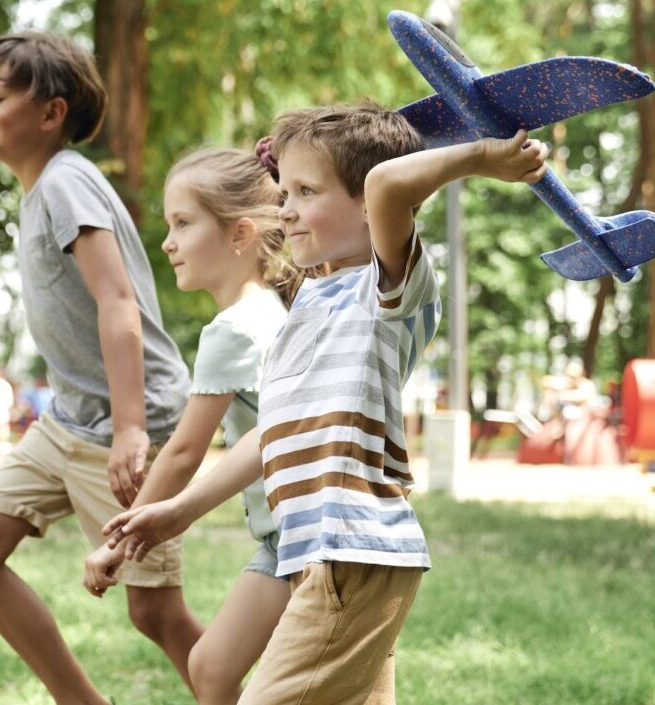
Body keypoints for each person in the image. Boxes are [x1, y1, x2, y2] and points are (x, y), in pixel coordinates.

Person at [104, 104, 549, 704]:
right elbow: (268, 437)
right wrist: (180, 510)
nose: (284, 207)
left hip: (352, 551)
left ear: (368, 209)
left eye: (305, 192)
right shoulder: (308, 304)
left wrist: (481, 156)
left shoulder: (388, 291)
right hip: (316, 551)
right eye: (283, 191)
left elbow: (387, 184)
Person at [0, 32, 202, 704]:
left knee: (155, 613)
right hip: (66, 420)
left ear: (51, 114)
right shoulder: (39, 191)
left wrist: (130, 429)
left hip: (126, 420)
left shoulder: (66, 181)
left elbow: (116, 301)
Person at [79, 147, 293, 705]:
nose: (168, 242)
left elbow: (182, 451)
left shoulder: (232, 330)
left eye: (183, 223)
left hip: (294, 540)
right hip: (287, 537)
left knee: (217, 670)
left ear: (239, 234)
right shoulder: (275, 309)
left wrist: (120, 541)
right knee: (210, 667)